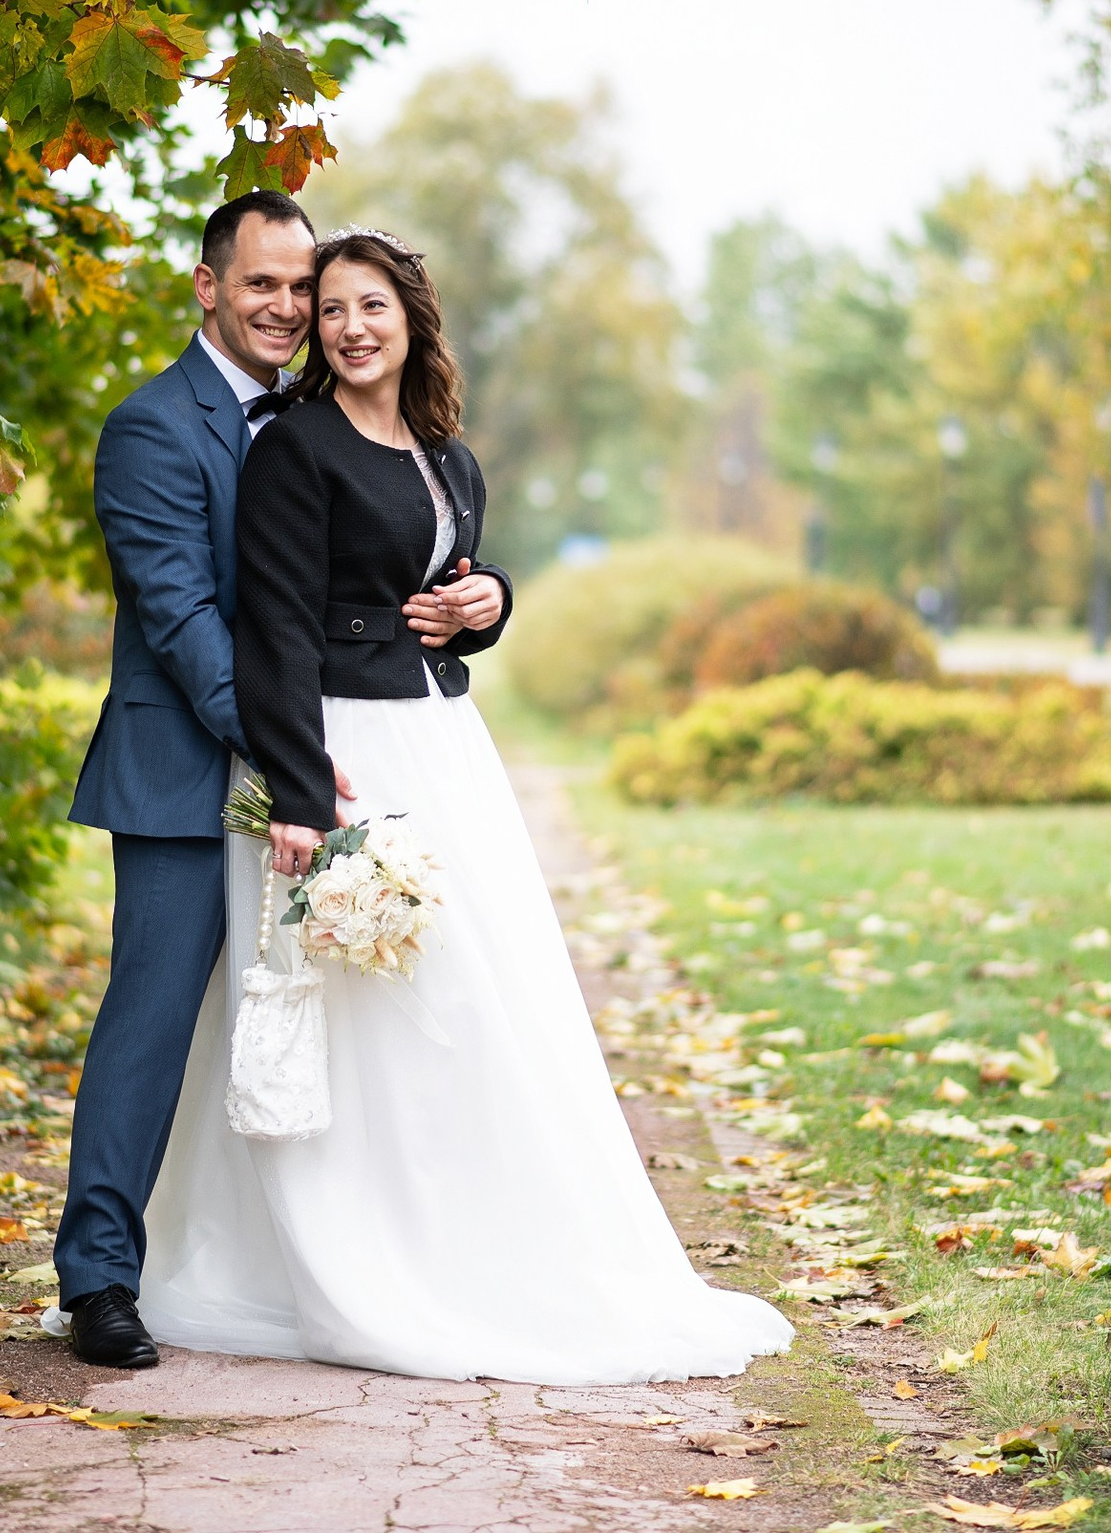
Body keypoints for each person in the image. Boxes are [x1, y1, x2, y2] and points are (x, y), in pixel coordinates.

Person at [134, 230, 793, 1384]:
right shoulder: (298, 449)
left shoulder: (447, 455)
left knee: (478, 999)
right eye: (329, 309)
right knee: (374, 1010)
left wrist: (488, 603)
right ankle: (364, 1256)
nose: (346, 327)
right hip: (343, 756)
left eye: (368, 306)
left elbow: (452, 586)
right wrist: (298, 795)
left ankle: (488, 1247)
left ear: (411, 318)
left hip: (444, 745)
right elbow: (276, 629)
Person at [52, 190, 361, 1369]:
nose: (286, 308)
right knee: (154, 1022)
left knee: (341, 1018)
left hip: (320, 767)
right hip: (187, 771)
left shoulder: (328, 413)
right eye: (262, 284)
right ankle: (98, 1280)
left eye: (300, 285)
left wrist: (482, 601)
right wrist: (290, 763)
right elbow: (182, 625)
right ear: (207, 287)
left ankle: (315, 1267)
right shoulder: (151, 428)